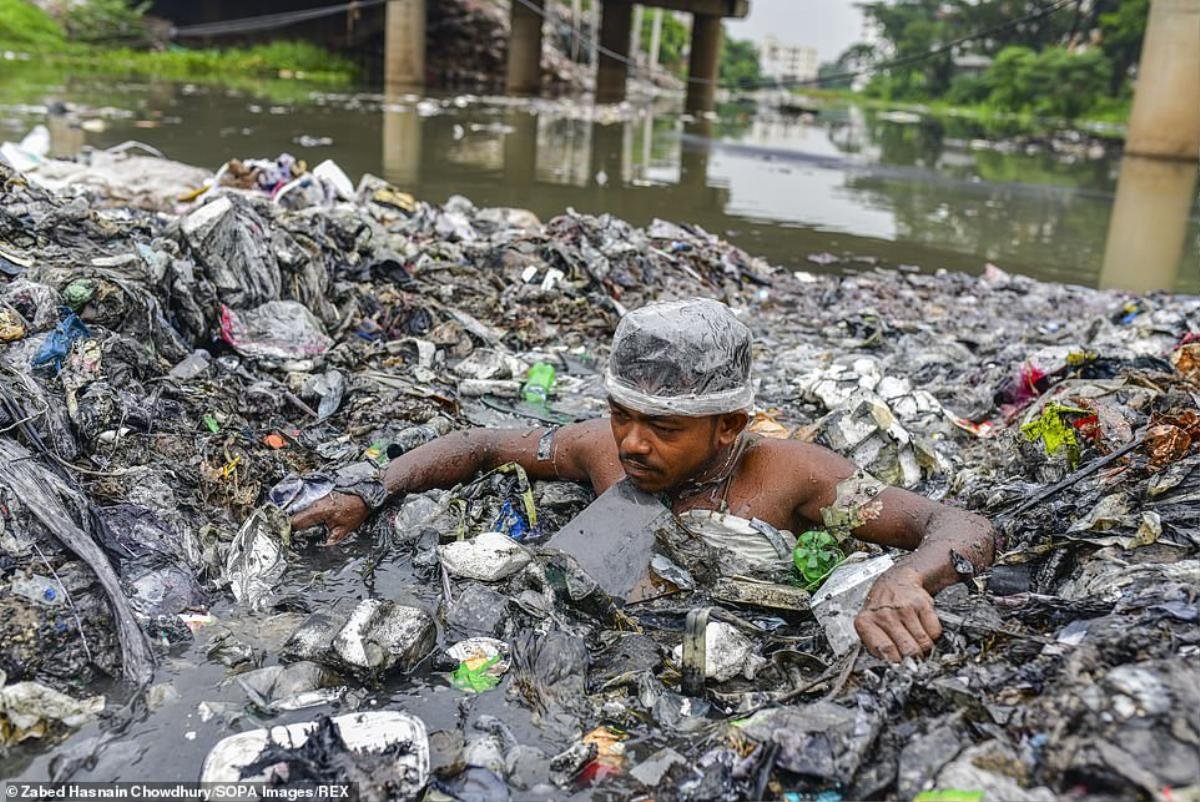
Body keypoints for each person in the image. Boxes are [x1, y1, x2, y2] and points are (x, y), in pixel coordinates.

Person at [291, 298, 997, 663]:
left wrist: (909, 579)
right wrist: (370, 491)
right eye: (622, 414)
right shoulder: (602, 450)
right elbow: (480, 443)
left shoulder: (793, 478)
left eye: (663, 427)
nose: (633, 442)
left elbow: (961, 525)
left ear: (728, 424)